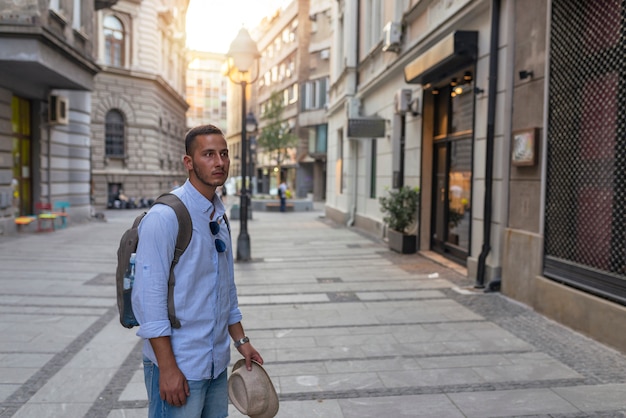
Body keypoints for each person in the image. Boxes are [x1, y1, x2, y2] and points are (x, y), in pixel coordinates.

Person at [132, 124, 263, 418]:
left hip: (216, 363)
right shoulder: (165, 217)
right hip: (180, 366)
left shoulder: (218, 215)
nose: (219, 162)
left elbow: (224, 289)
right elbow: (148, 301)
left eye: (224, 154)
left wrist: (241, 341)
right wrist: (167, 369)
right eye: (208, 154)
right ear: (188, 163)